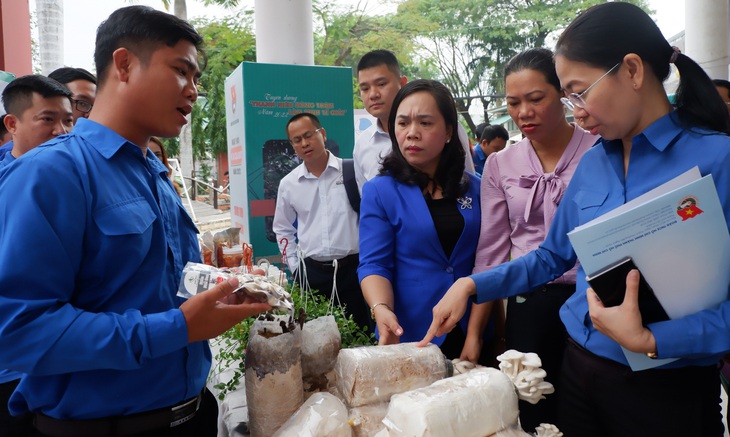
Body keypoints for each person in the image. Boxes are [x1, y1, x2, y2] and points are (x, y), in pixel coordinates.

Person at [421, 3, 730, 436]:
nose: (576, 111)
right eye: (568, 98)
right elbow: (551, 257)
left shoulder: (718, 160)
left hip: (666, 385)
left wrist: (655, 341)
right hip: (579, 366)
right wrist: (472, 285)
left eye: (579, 92)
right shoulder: (592, 164)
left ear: (633, 71)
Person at [0, 6, 271, 436]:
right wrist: (177, 328)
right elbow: (17, 330)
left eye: (197, 79)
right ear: (124, 64)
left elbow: (151, 287)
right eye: (182, 71)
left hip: (193, 415)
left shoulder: (156, 174)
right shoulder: (51, 173)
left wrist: (222, 286)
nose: (194, 91)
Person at [472, 47, 598, 431]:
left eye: (535, 99)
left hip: (591, 298)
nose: (523, 112)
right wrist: (476, 333)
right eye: (513, 103)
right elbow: (491, 250)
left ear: (561, 93)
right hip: (528, 298)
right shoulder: (499, 164)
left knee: (588, 407)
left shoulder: (600, 150)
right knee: (532, 404)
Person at [358, 79, 492, 362]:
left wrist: (475, 336)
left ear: (448, 132)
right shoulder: (380, 191)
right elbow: (374, 263)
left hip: (472, 327)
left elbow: (489, 262)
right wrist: (381, 308)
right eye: (403, 123)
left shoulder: (478, 188)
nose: (412, 133)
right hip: (410, 334)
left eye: (425, 123)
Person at [273, 112, 371, 332]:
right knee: (315, 339)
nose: (304, 143)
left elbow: (374, 218)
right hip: (312, 275)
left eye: (309, 135)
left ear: (323, 134)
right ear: (292, 145)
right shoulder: (289, 184)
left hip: (353, 272)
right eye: (297, 140)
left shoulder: (352, 171)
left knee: (360, 335)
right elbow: (282, 228)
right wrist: (295, 268)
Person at [354, 49, 475, 193]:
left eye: (381, 84)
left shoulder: (445, 129)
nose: (373, 94)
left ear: (402, 83)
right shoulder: (362, 145)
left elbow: (466, 181)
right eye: (365, 88)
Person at [0, 75, 73, 169]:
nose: (62, 132)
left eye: (68, 120)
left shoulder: (77, 174)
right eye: (48, 119)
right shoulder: (4, 179)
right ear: (12, 124)